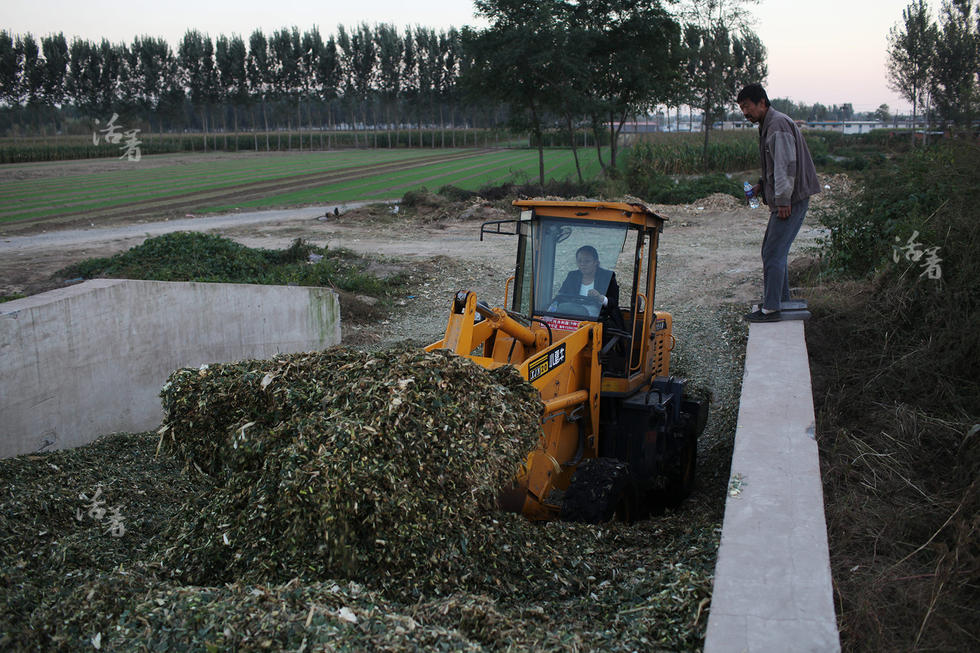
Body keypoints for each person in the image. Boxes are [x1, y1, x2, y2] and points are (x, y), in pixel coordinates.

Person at [737, 83, 821, 323]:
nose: (745, 113)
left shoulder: (776, 125)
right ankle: (781, 301)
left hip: (791, 200)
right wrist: (762, 185)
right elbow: (775, 165)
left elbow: (786, 166)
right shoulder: (768, 124)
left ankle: (772, 308)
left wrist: (783, 200)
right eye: (742, 108)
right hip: (789, 198)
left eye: (747, 106)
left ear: (762, 102)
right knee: (774, 251)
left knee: (773, 252)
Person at [552, 245, 620, 319]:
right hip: (572, 315)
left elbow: (614, 303)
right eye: (579, 261)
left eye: (587, 261)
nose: (582, 264)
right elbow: (561, 295)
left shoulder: (607, 276)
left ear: (596, 262)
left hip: (598, 319)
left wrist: (600, 298)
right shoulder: (572, 276)